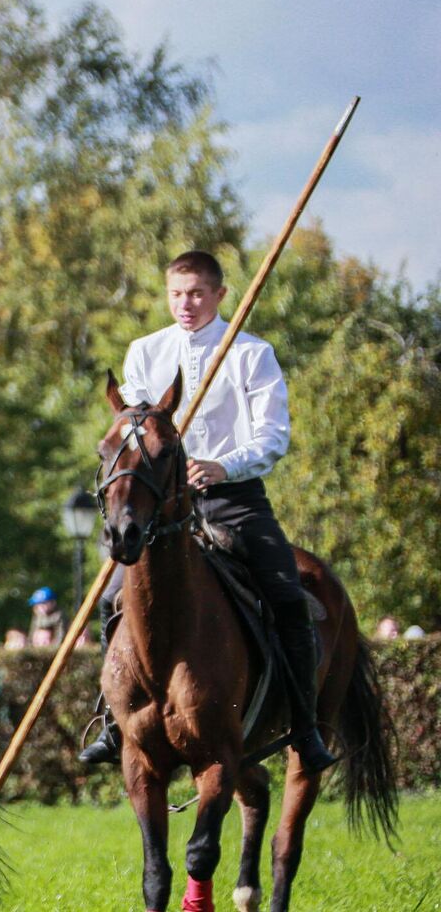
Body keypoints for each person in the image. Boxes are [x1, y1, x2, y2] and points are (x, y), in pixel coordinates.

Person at [80, 250, 337, 773]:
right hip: (161, 506)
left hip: (233, 499)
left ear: (220, 294)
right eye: (176, 293)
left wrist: (224, 465)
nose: (186, 304)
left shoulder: (251, 353)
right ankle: (113, 721)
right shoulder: (144, 352)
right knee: (109, 600)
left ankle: (304, 727)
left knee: (288, 596)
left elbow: (273, 435)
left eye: (196, 293)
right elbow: (135, 430)